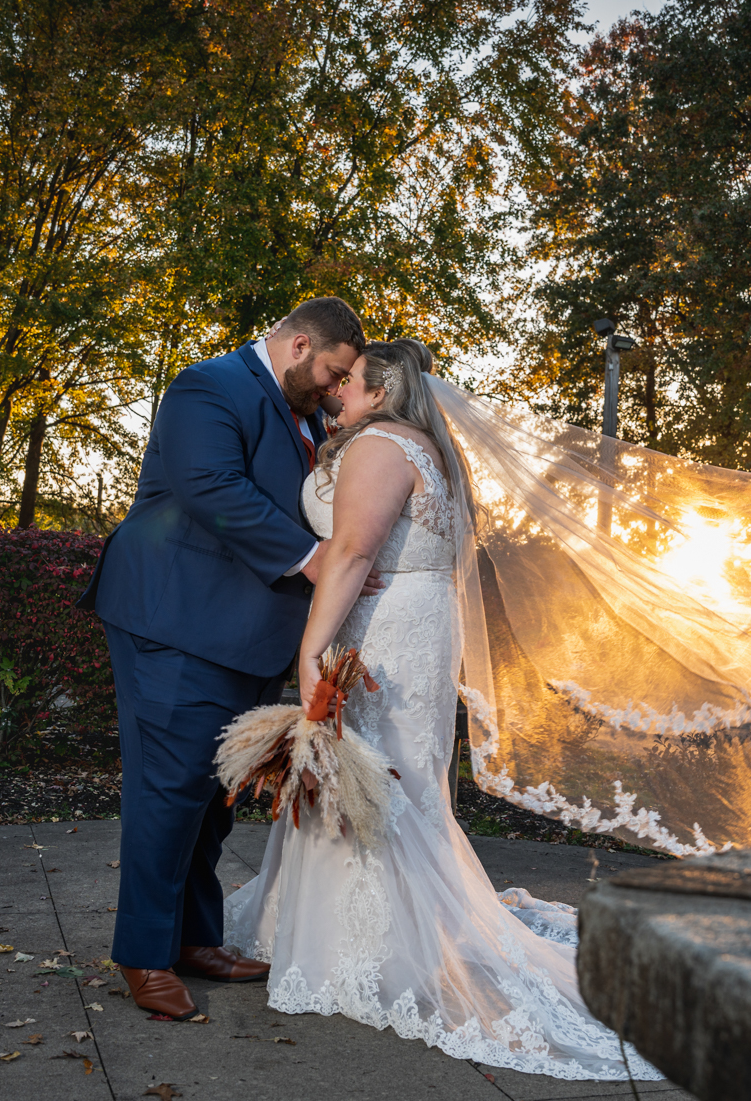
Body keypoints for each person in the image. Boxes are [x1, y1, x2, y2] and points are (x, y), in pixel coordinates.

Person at [223, 339, 661, 1080]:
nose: (340, 390)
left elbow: (355, 552)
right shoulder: (431, 449)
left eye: (353, 381)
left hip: (383, 626)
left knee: (369, 775)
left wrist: (310, 651)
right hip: (417, 625)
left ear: (384, 390)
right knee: (402, 778)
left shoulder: (380, 446)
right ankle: (374, 926)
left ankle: (366, 948)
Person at [77, 296, 382, 1020]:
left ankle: (194, 937)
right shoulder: (207, 386)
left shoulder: (304, 412)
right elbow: (212, 486)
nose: (335, 390)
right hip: (176, 621)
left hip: (244, 634)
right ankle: (144, 954)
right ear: (299, 343)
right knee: (170, 787)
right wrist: (314, 559)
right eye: (334, 373)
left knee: (215, 795)